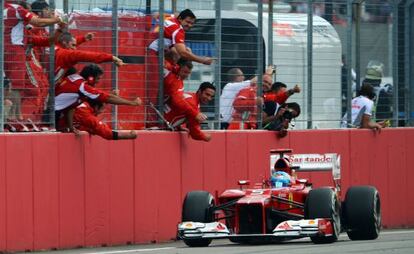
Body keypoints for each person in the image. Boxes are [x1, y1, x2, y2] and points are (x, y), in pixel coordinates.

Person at [3, 0, 65, 121]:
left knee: (26, 87)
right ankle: (13, 118)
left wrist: (59, 29)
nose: (30, 13)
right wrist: (57, 20)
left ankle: (20, 118)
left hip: (13, 53)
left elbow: (46, 41)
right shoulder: (17, 11)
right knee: (27, 87)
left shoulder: (24, 28)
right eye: (28, 11)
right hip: (17, 54)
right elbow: (37, 22)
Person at [55, 64, 142, 132]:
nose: (98, 81)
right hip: (52, 112)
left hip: (54, 111)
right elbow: (106, 97)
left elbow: (71, 106)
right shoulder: (82, 86)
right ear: (91, 78)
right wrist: (131, 103)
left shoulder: (76, 79)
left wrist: (71, 127)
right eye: (98, 78)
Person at [54, 32, 124, 85]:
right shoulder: (65, 54)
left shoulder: (55, 47)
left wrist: (83, 39)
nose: (75, 48)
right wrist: (112, 57)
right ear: (64, 42)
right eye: (73, 45)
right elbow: (88, 55)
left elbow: (69, 44)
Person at [71, 99, 137, 140]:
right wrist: (129, 136)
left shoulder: (82, 103)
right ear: (96, 107)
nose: (102, 111)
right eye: (102, 108)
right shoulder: (85, 113)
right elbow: (107, 133)